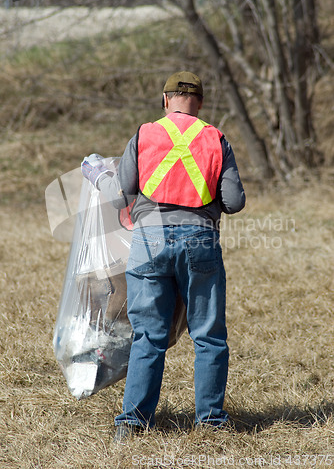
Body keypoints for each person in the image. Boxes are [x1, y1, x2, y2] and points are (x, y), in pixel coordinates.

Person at [81, 71, 246, 442]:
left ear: (165, 100)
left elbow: (122, 190)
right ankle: (210, 423)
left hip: (149, 242)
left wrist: (93, 173)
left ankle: (133, 423)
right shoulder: (216, 138)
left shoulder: (144, 135)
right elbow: (235, 201)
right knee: (208, 336)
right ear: (200, 103)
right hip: (200, 241)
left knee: (149, 337)